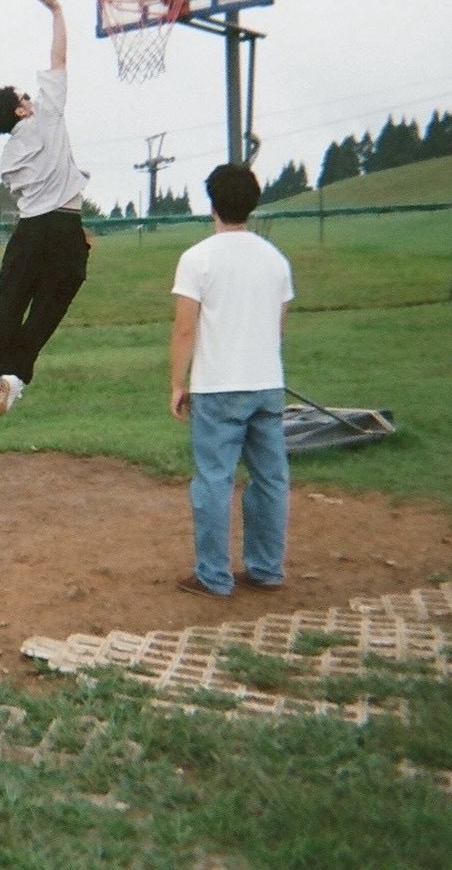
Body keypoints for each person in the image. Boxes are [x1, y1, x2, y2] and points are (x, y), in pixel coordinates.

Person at [169, 163, 294, 597]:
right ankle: (266, 568)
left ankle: (213, 576)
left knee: (214, 480)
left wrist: (177, 383)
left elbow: (185, 328)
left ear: (212, 204)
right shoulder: (276, 260)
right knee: (271, 478)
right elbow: (277, 328)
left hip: (218, 387)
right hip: (267, 385)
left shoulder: (197, 258)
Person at [0, 0, 91, 414]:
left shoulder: (9, 156)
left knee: (11, 302)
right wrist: (57, 11)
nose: (31, 97)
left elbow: (32, 191)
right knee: (49, 308)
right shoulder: (47, 116)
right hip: (64, 227)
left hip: (30, 231)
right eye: (25, 96)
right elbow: (59, 59)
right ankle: (15, 379)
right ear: (21, 111)